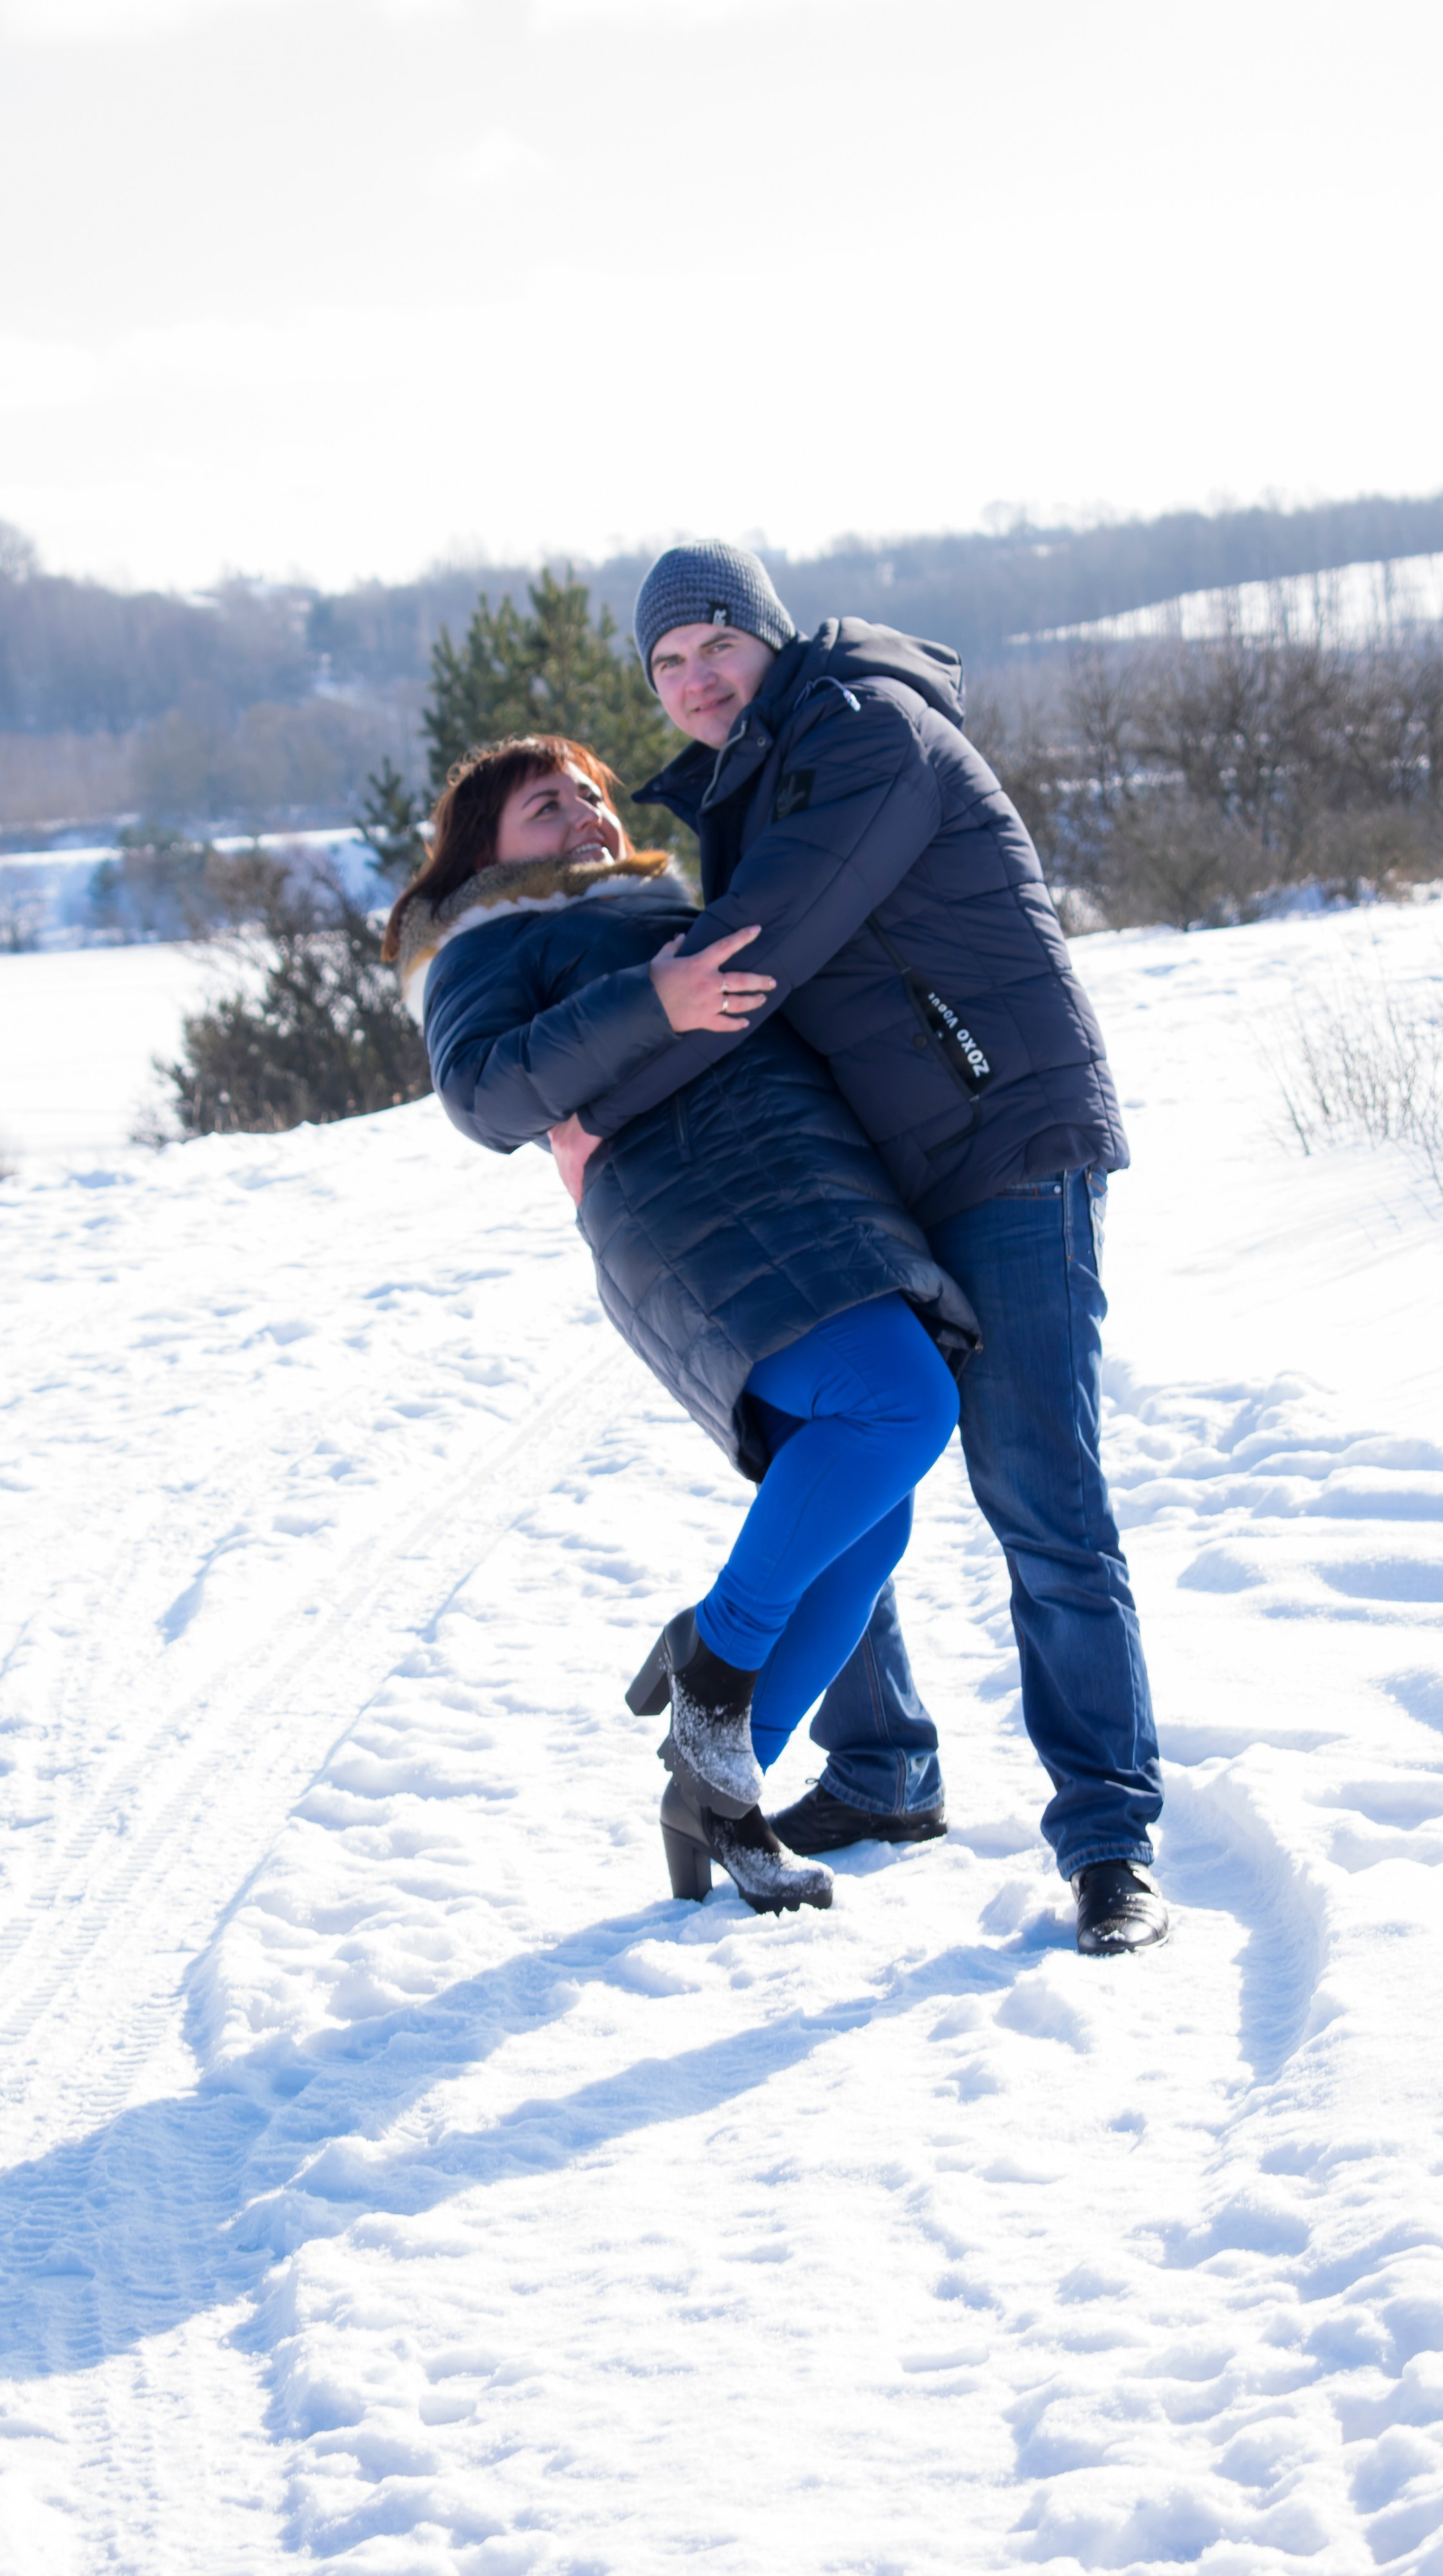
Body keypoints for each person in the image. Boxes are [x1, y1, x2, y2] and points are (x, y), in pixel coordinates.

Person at [545, 541, 1169, 1957]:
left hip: (1004, 1146)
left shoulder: (863, 728)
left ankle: (1107, 1844)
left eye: (714, 642)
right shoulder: (749, 778)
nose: (694, 678)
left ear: (768, 637)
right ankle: (883, 1774)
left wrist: (585, 1107)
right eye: (666, 664)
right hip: (888, 1163)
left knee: (1041, 1500)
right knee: (843, 1458)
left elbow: (753, 966)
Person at [384, 733, 978, 1916]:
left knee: (874, 1519)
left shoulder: (651, 907)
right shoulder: (480, 942)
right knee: (903, 1407)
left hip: (799, 1187)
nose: (588, 816)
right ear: (481, 854)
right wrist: (654, 995)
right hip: (701, 1211)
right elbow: (485, 1091)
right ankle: (714, 1664)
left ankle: (722, 1785)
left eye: (594, 797)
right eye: (548, 808)